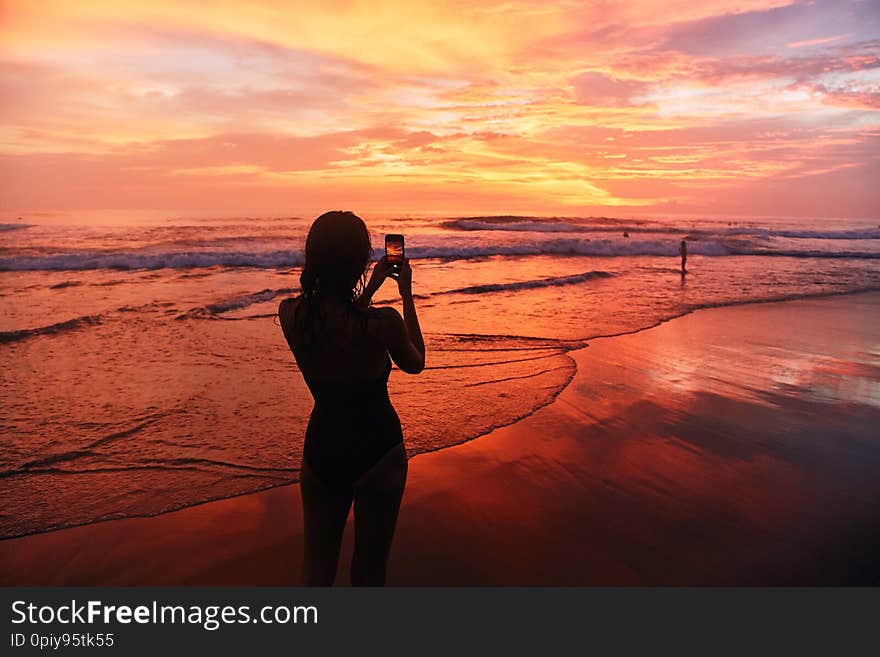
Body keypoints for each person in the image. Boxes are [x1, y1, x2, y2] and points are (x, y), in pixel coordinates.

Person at [278, 211, 425, 586]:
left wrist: (369, 290)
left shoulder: (292, 314)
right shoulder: (383, 323)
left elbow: (337, 322)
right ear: (360, 261)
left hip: (323, 447)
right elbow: (416, 362)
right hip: (379, 449)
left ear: (313, 258)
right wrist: (405, 294)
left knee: (316, 569)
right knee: (369, 572)